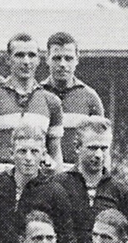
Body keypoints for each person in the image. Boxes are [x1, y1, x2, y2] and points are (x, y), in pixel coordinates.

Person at [0, 33, 64, 171]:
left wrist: (59, 183)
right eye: (19, 55)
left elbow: (55, 150)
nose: (26, 61)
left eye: (31, 55)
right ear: (8, 59)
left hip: (37, 178)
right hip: (0, 177)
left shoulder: (51, 101)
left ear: (38, 60)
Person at [0, 124, 75, 243]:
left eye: (34, 151)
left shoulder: (55, 191)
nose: (28, 158)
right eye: (22, 151)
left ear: (43, 154)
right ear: (12, 153)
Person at [53, 117, 128, 243]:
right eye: (92, 148)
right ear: (77, 147)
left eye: (104, 148)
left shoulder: (120, 190)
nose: (99, 154)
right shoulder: (57, 185)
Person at [40, 32, 105, 162]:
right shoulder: (37, 94)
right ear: (47, 58)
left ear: (77, 59)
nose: (63, 64)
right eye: (57, 58)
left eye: (68, 58)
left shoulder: (90, 97)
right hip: (44, 175)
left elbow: (102, 144)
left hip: (78, 175)